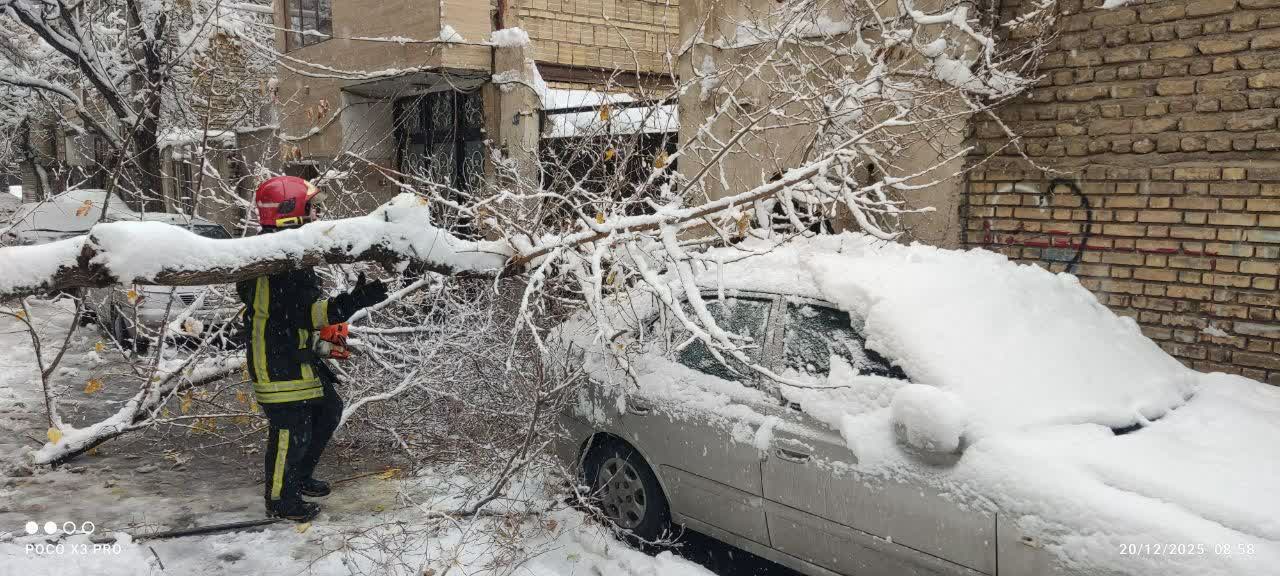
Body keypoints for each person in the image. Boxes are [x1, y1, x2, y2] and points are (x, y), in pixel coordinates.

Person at [238, 176, 388, 522]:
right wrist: (351, 302)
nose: (316, 213)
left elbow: (301, 312)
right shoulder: (271, 261)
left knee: (326, 411)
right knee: (291, 428)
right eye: (311, 207)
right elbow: (304, 313)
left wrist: (343, 313)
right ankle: (281, 499)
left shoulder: (285, 252)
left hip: (297, 358)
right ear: (291, 211)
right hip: (277, 364)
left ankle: (298, 476)